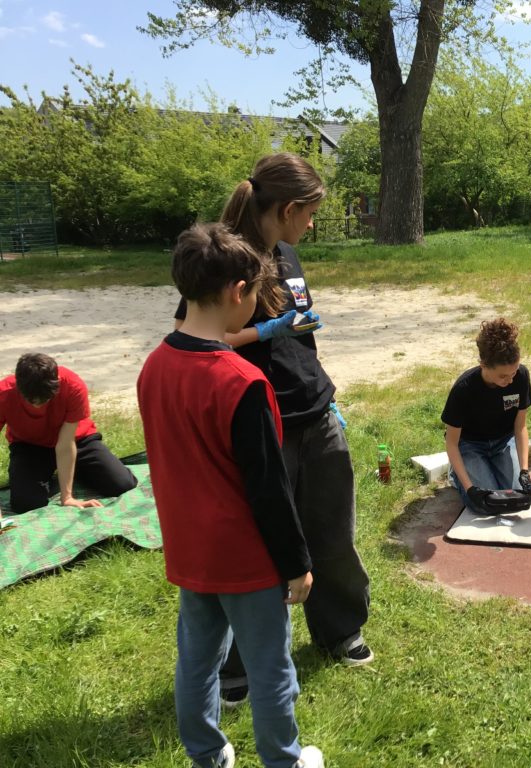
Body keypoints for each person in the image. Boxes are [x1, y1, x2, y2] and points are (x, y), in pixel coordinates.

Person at [174, 153, 372, 709]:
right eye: (309, 214)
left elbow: (301, 335)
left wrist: (322, 390)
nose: (311, 225)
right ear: (287, 209)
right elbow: (192, 336)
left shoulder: (287, 252)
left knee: (332, 534)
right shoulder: (224, 256)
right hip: (261, 421)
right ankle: (237, 665)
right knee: (260, 547)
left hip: (313, 411)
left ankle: (339, 631)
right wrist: (264, 329)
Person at [139, 223, 323, 768]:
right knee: (272, 669)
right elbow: (268, 489)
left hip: (188, 550)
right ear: (237, 292)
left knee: (197, 660)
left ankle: (207, 754)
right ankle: (284, 761)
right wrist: (297, 564)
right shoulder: (240, 381)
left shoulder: (153, 367)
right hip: (247, 559)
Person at [0, 352, 137, 515]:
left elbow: (65, 444)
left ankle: (75, 472)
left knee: (122, 484)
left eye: (44, 399)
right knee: (26, 504)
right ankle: (52, 475)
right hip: (30, 446)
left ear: (56, 385)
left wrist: (67, 497)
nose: (37, 405)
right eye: (31, 400)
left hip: (77, 441)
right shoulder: (4, 393)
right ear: (19, 386)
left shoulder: (73, 386)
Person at [442, 318, 531, 514]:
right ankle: (457, 474)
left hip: (503, 442)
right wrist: (470, 489)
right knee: (487, 503)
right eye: (503, 376)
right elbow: (451, 443)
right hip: (470, 446)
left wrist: (525, 472)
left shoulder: (522, 376)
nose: (510, 380)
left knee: (518, 499)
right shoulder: (463, 389)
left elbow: (520, 428)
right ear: (484, 365)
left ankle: (489, 468)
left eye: (514, 372)